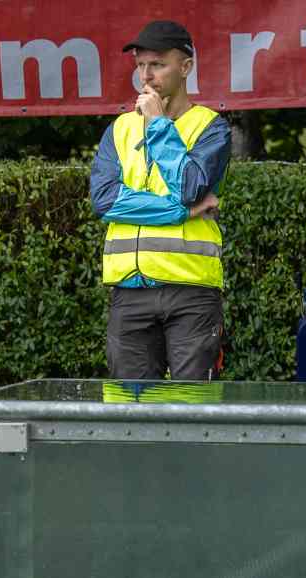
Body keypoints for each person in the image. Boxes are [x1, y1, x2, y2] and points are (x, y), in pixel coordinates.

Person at [90, 20, 231, 381]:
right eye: (140, 65)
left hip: (191, 291)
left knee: (192, 403)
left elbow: (188, 187)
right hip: (129, 290)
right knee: (130, 405)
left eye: (157, 64)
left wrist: (157, 124)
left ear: (186, 67)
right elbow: (105, 201)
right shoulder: (120, 129)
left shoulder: (211, 127)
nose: (146, 76)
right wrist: (180, 213)